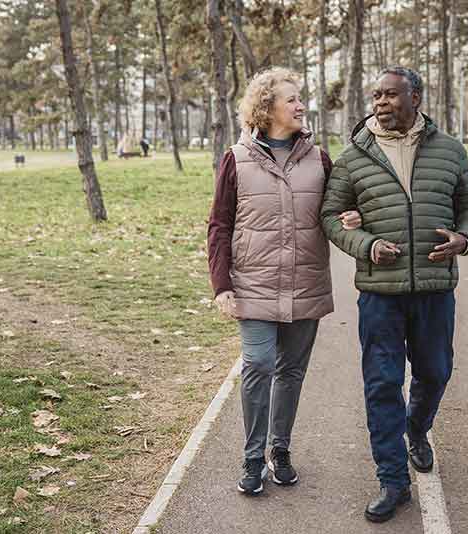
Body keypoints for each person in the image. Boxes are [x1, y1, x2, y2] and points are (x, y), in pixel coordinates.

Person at [320, 66, 468, 522]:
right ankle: (392, 480)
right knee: (382, 383)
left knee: (435, 371)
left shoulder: (449, 150)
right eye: (375, 96)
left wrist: (464, 239)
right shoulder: (354, 156)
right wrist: (367, 245)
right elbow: (331, 215)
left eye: (390, 95)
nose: (380, 103)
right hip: (380, 292)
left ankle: (416, 429)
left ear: (415, 96)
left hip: (435, 288)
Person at [207, 67, 361, 496]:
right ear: (266, 106)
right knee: (257, 364)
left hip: (304, 282)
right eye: (291, 98)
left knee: (290, 371)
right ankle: (253, 457)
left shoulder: (319, 158)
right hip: (253, 283)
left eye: (300, 98)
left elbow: (336, 209)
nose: (300, 105)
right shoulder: (235, 159)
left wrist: (351, 216)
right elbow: (219, 225)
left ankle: (281, 450)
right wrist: (222, 286)